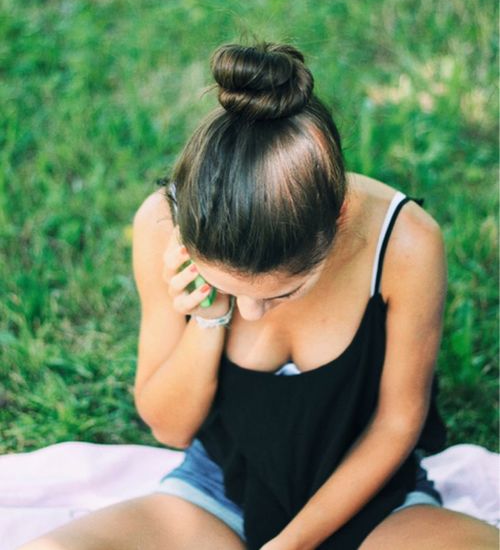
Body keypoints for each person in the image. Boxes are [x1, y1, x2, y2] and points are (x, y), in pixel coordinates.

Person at [21, 43, 498, 550]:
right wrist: (208, 319)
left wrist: (290, 544)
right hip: (217, 496)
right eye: (230, 291)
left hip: (369, 504)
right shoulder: (161, 226)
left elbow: (397, 422)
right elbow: (171, 429)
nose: (248, 312)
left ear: (336, 220)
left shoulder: (404, 243)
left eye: (282, 293)